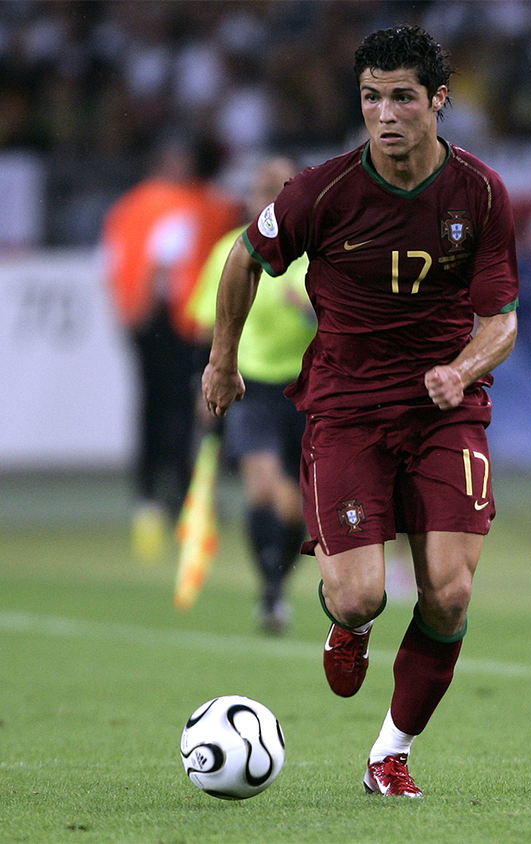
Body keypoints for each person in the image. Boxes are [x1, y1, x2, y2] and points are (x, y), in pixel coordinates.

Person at [202, 26, 519, 798]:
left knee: (450, 592)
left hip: (445, 412)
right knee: (359, 593)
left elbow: (502, 322)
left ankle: (389, 754)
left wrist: (461, 370)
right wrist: (222, 360)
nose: (385, 113)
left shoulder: (479, 194)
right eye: (372, 97)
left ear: (438, 100)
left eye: (402, 97)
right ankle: (351, 626)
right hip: (346, 413)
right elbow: (245, 257)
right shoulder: (322, 192)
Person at [189, 157, 315, 634]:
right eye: (263, 189)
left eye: (281, 189)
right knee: (263, 488)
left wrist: (309, 310)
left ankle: (276, 586)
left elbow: (343, 321)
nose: (271, 199)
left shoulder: (315, 253)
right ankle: (270, 591)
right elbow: (209, 325)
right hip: (252, 386)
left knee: (293, 507)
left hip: (307, 390)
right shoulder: (231, 250)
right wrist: (207, 381)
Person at [102, 133, 240, 562]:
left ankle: (154, 495)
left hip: (153, 317)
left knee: (158, 407)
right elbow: (164, 259)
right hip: (172, 318)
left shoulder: (134, 205)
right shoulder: (187, 204)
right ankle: (175, 495)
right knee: (179, 407)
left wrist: (129, 309)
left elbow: (116, 260)